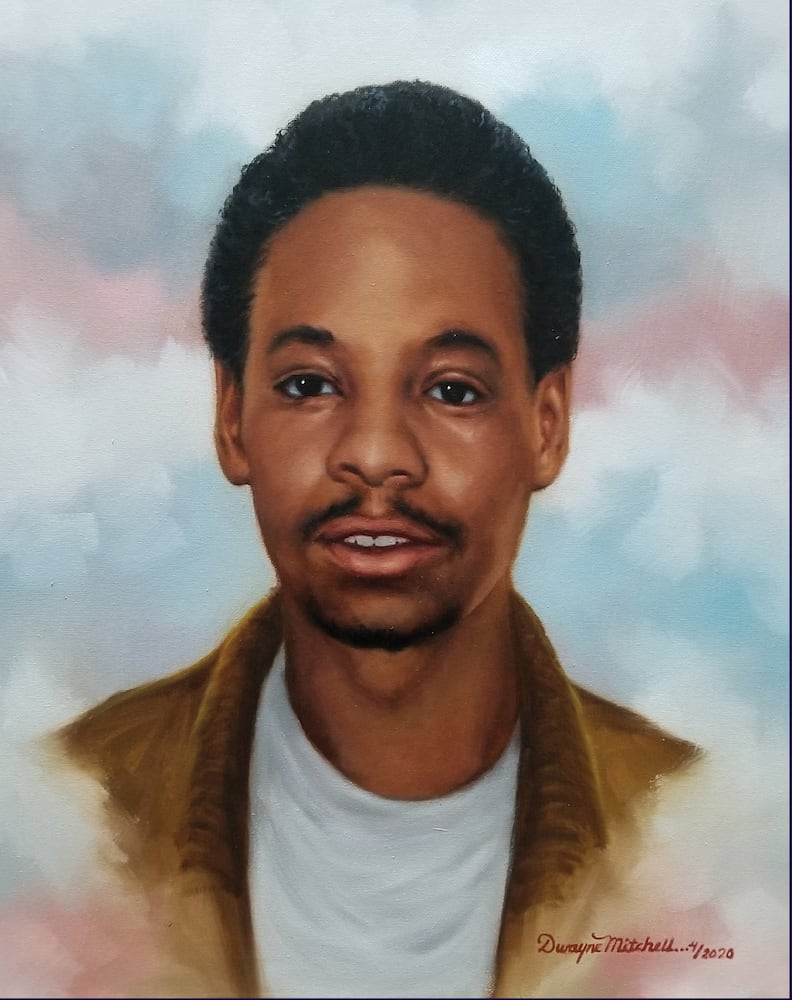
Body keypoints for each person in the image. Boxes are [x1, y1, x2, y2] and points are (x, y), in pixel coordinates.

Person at [60, 80, 698, 998]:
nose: (375, 454)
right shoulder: (66, 816)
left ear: (548, 423)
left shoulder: (696, 842)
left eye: (451, 390)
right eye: (310, 385)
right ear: (231, 417)